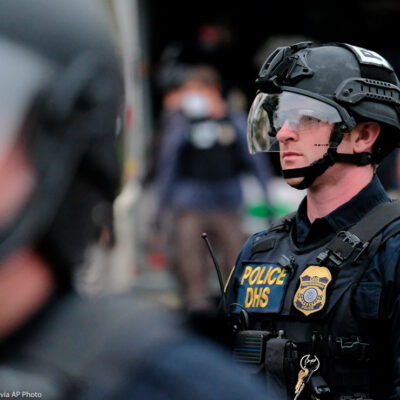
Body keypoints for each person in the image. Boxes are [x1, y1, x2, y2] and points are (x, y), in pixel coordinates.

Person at [0, 1, 272, 399]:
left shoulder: (172, 384)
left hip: (225, 206)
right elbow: (163, 166)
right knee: (192, 277)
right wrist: (159, 212)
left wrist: (264, 201)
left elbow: (255, 165)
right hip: (187, 206)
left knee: (238, 277)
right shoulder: (177, 127)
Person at [223, 41, 400, 399]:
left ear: (363, 135)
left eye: (307, 117)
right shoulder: (259, 250)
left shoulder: (394, 251)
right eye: (281, 117)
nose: (284, 132)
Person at [154, 64, 273, 312]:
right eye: (188, 91)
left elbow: (255, 160)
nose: (192, 97)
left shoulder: (233, 119)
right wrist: (160, 207)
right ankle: (197, 308)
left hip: (227, 205)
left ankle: (236, 309)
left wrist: (267, 195)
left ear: (213, 90)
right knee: (190, 261)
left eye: (197, 90)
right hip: (191, 205)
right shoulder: (181, 122)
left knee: (235, 259)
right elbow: (169, 164)